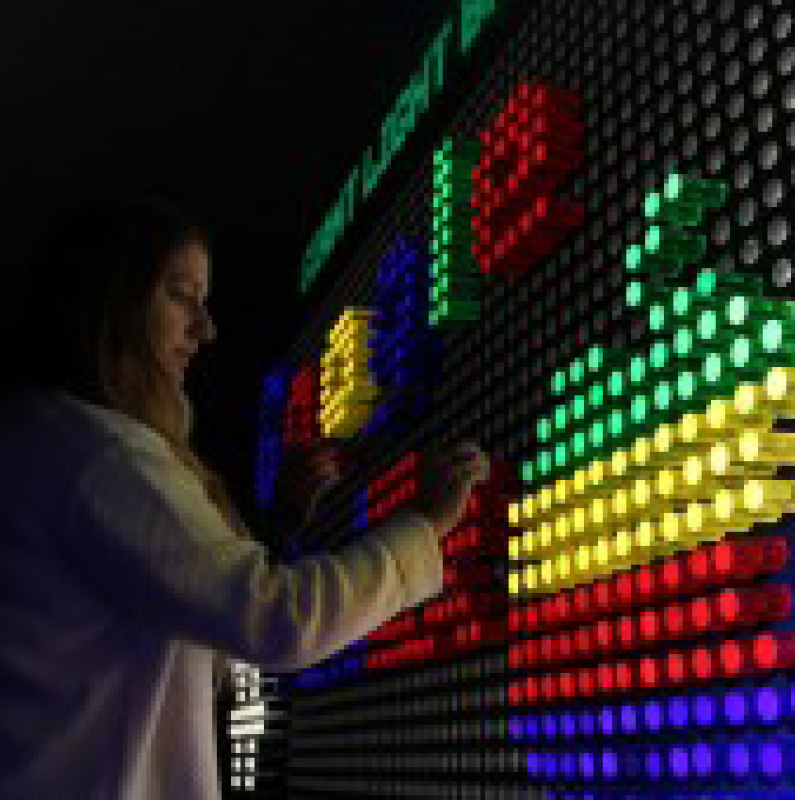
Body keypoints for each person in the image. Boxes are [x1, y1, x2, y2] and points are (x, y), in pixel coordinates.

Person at [0, 193, 490, 800]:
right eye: (181, 296)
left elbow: (177, 608)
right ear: (110, 301)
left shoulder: (44, 441)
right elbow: (274, 618)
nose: (206, 331)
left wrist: (280, 518)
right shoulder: (100, 454)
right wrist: (424, 523)